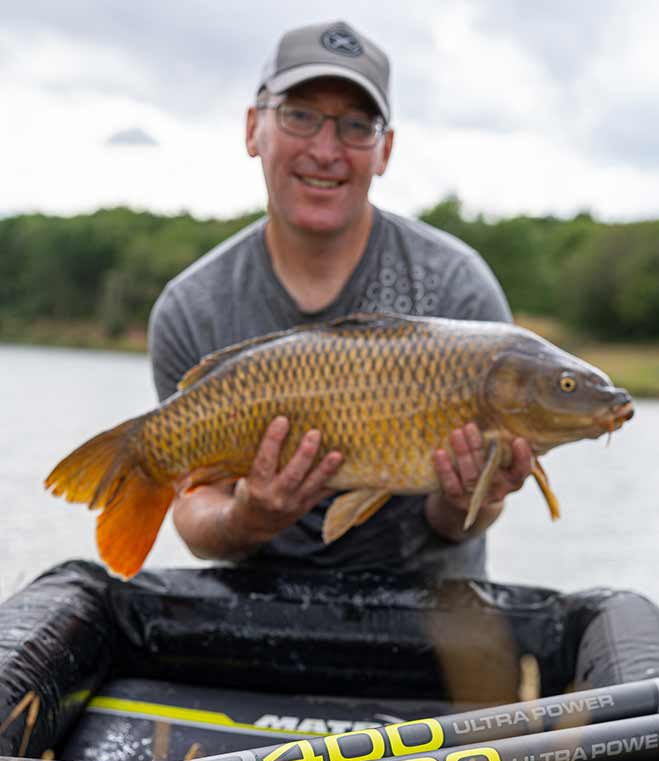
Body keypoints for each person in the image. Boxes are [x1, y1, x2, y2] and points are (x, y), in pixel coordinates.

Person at [148, 20, 532, 580]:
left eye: (356, 126)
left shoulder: (458, 288)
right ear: (253, 129)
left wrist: (467, 500)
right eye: (299, 115)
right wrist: (245, 519)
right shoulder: (192, 307)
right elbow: (195, 505)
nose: (325, 151)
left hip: (432, 606)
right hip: (256, 602)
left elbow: (459, 525)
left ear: (385, 151)